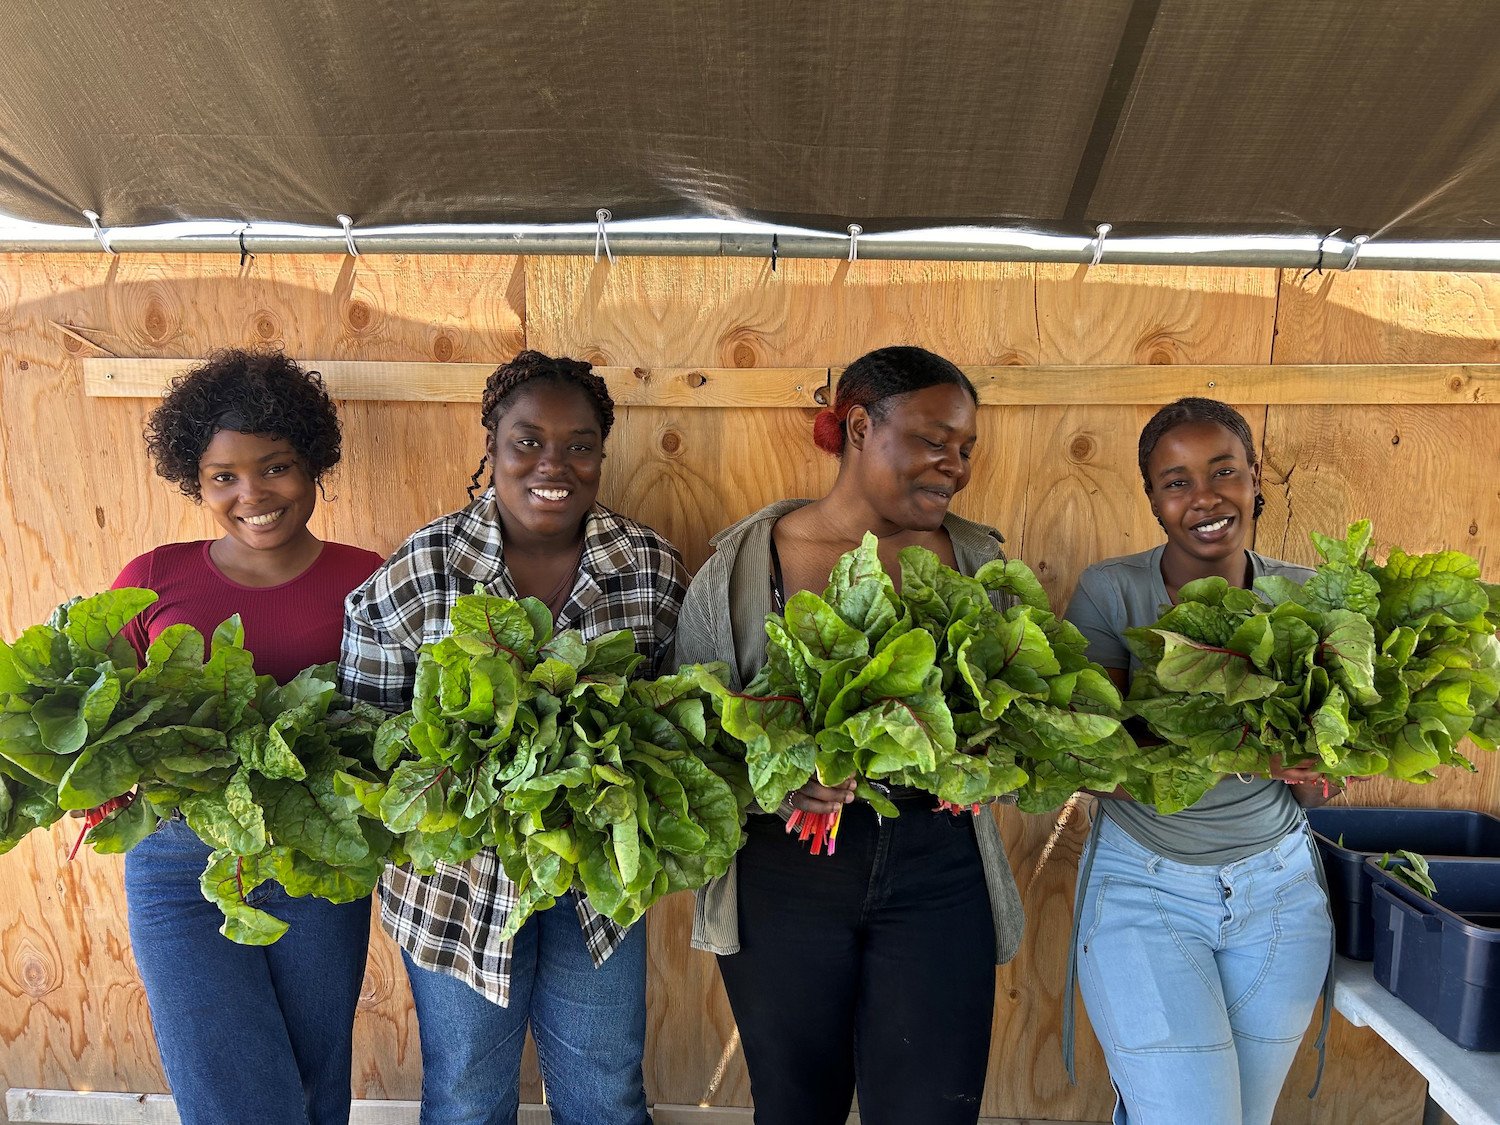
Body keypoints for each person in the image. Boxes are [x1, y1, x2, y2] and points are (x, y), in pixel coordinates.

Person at [675, 345, 1024, 1125]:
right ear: (860, 426)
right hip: (784, 875)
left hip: (939, 867)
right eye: (936, 440)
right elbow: (689, 734)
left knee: (934, 1108)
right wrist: (778, 774)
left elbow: (1014, 723)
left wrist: (980, 754)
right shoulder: (743, 566)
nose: (956, 464)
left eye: (966, 447)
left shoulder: (978, 562)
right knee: (797, 1106)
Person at [339, 350, 687, 1125]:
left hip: (596, 882)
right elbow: (365, 739)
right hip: (455, 883)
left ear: (601, 453)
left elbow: (675, 726)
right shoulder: (421, 570)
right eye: (527, 441)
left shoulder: (649, 567)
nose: (552, 464)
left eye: (579, 444)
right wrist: (464, 778)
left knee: (607, 1090)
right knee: (465, 1095)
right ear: (491, 448)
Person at [115, 349, 384, 1125]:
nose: (252, 494)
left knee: (312, 1076)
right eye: (223, 476)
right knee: (223, 1084)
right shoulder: (152, 577)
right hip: (178, 862)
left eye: (276, 467)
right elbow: (97, 723)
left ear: (313, 466)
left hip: (316, 852)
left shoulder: (367, 579)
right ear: (193, 480)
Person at [1062, 397, 1338, 1125]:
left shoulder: (1305, 598)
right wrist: (1236, 750)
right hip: (1144, 888)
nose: (1204, 496)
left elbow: (1328, 773)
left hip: (1280, 894)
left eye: (1224, 471)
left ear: (1255, 480)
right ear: (1152, 499)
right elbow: (1083, 755)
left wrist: (1318, 766)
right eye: (1176, 481)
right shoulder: (1111, 590)